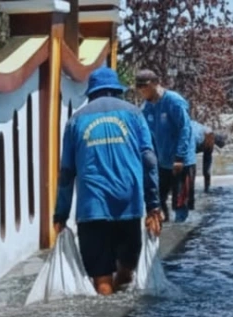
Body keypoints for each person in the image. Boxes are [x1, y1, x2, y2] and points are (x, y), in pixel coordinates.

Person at [53, 67, 162, 295]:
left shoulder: (75, 121)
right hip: (129, 206)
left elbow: (66, 172)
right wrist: (153, 206)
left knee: (101, 279)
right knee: (127, 270)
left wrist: (60, 215)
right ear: (117, 90)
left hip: (92, 210)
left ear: (91, 93)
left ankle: (105, 315)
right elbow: (150, 161)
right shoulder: (134, 114)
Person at [134, 70, 197, 223]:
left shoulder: (173, 101)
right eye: (139, 87)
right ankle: (164, 232)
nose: (142, 90)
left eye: (145, 86)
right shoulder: (146, 108)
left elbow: (185, 128)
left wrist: (180, 157)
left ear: (156, 83)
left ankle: (180, 234)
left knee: (180, 203)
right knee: (157, 199)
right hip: (161, 161)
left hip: (181, 161)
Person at [191, 121, 229, 192]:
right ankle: (206, 188)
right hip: (203, 137)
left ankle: (200, 189)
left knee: (190, 167)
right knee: (205, 169)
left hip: (200, 137)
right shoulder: (208, 133)